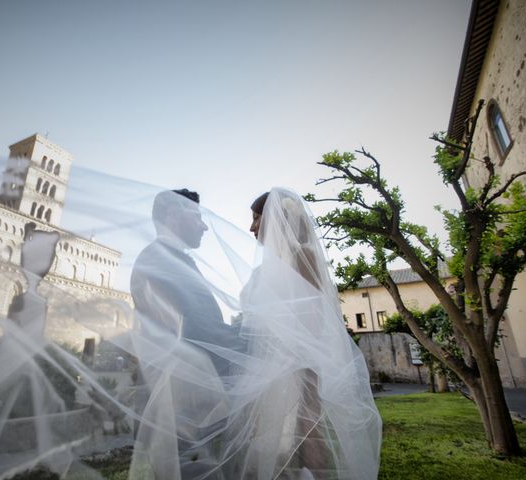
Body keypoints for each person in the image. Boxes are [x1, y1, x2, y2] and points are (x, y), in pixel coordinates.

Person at [224, 188, 382, 479]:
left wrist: (299, 370)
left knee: (308, 430)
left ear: (277, 219)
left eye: (257, 218)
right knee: (274, 441)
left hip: (297, 365)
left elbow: (313, 318)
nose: (251, 227)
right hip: (268, 366)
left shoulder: (302, 256)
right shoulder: (268, 267)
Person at [129, 188, 245, 479]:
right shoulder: (159, 261)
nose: (205, 226)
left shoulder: (167, 258)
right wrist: (252, 343)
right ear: (172, 214)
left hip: (189, 398)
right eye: (197, 216)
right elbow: (195, 328)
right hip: (181, 404)